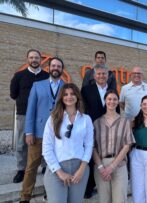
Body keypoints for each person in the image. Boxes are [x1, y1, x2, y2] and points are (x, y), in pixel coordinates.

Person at [20, 57, 64, 203]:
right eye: (53, 66)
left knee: (52, 166)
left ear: (62, 69)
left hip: (57, 134)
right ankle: (25, 196)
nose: (56, 68)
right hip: (38, 133)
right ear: (49, 68)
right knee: (31, 166)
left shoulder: (66, 87)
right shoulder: (37, 85)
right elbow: (30, 110)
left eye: (58, 66)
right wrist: (29, 132)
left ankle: (49, 194)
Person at [42, 83, 94, 203]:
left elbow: (89, 145)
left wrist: (82, 169)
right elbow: (47, 148)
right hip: (57, 168)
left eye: (72, 94)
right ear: (61, 97)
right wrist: (60, 172)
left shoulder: (86, 119)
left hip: (79, 169)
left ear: (77, 96)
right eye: (65, 94)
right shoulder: (53, 118)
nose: (69, 97)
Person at [10, 49, 48, 183]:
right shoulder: (19, 76)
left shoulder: (46, 76)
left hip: (42, 115)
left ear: (40, 59)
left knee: (43, 141)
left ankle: (45, 165)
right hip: (24, 114)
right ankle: (21, 169)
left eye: (36, 58)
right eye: (31, 58)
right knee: (22, 143)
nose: (34, 60)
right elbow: (13, 94)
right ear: (27, 59)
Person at [81, 64, 119, 198]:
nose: (102, 76)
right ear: (94, 75)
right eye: (99, 74)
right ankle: (89, 187)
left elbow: (117, 110)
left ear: (108, 76)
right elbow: (82, 110)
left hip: (109, 129)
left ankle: (106, 179)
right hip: (91, 128)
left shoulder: (113, 90)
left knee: (105, 155)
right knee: (91, 156)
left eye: (104, 74)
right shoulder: (86, 90)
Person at [93, 89, 135, 203]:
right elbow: (92, 147)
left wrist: (112, 166)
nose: (112, 101)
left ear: (118, 102)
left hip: (120, 165)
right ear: (105, 101)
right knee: (104, 200)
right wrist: (101, 168)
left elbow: (127, 145)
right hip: (101, 165)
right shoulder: (96, 123)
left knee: (120, 200)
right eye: (109, 99)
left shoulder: (125, 122)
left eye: (115, 99)